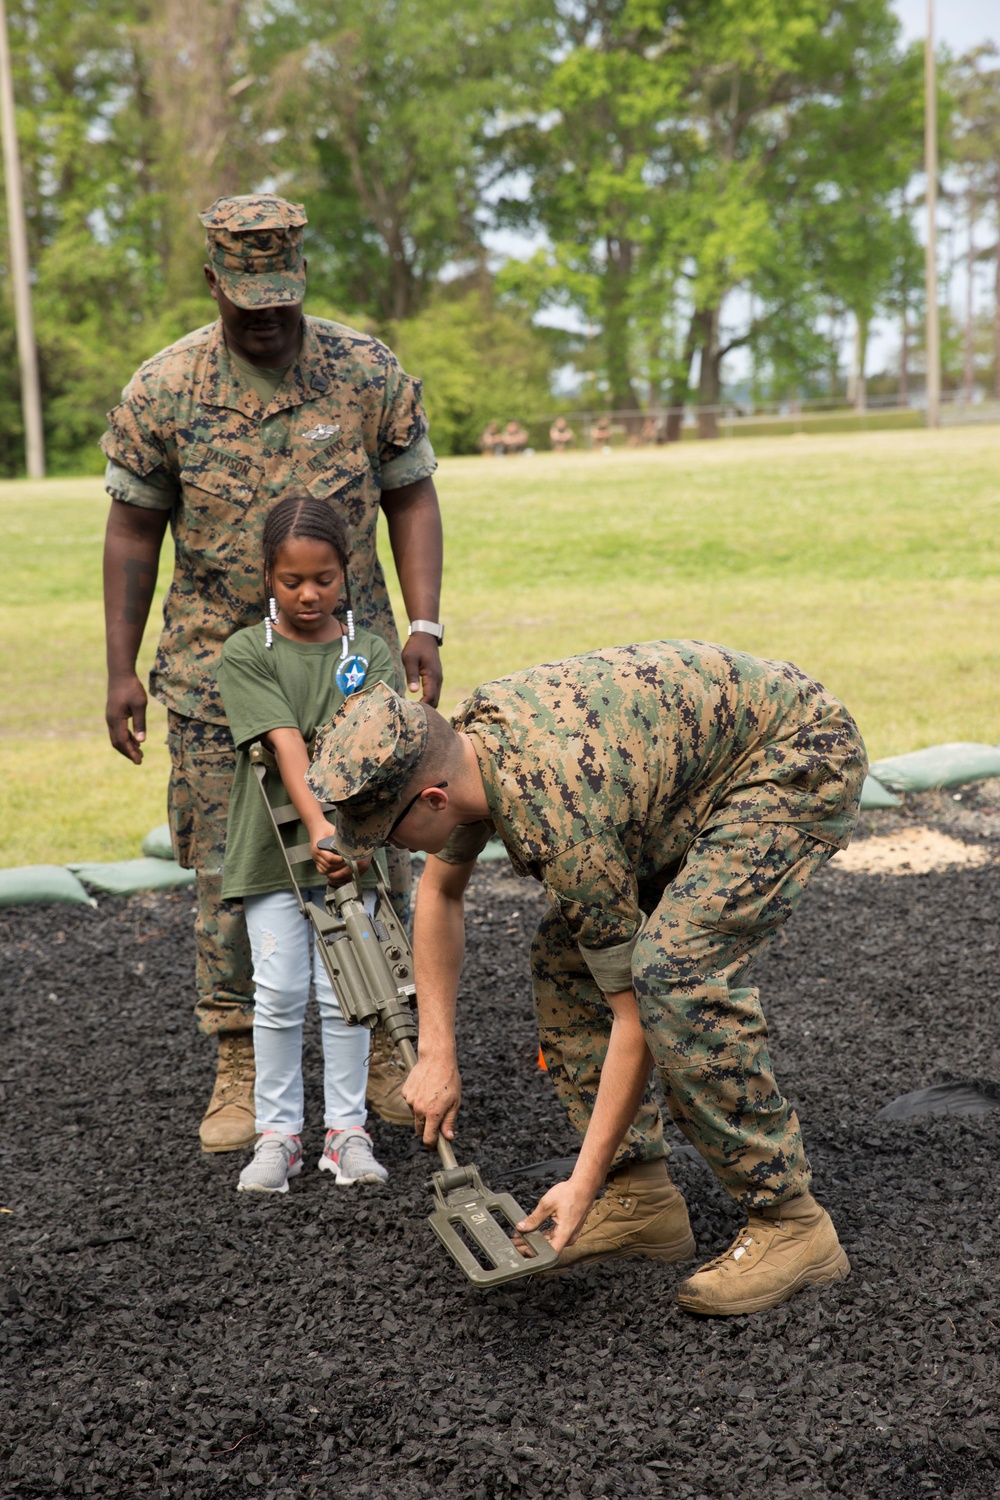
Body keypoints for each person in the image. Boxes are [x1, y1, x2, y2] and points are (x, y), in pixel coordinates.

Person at [306, 642, 867, 1317]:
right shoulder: (463, 753)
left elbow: (634, 1016)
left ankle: (791, 1223)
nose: (388, 848)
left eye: (389, 833)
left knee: (673, 972)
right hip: (685, 771)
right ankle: (644, 1201)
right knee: (566, 956)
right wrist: (437, 1051)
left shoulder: (562, 821)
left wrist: (580, 1179)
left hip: (793, 760)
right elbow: (441, 896)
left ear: (430, 799)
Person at [101, 193, 445, 1155]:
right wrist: (120, 669)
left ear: (301, 280)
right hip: (218, 677)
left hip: (353, 676)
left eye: (281, 297)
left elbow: (414, 495)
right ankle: (240, 1060)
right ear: (213, 281)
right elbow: (132, 530)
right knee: (228, 870)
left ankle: (385, 1042)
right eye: (246, 296)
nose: (265, 314)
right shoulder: (164, 390)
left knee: (371, 851)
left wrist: (424, 623)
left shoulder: (366, 371)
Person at [217, 494, 393, 1194]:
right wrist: (322, 826)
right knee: (281, 991)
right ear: (268, 576)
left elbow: (373, 750)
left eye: (323, 578)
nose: (309, 594)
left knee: (352, 993)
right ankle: (278, 1139)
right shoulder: (245, 652)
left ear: (345, 574)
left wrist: (348, 839)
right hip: (272, 853)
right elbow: (288, 748)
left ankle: (346, 1135)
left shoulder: (370, 652)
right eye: (292, 581)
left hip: (353, 853)